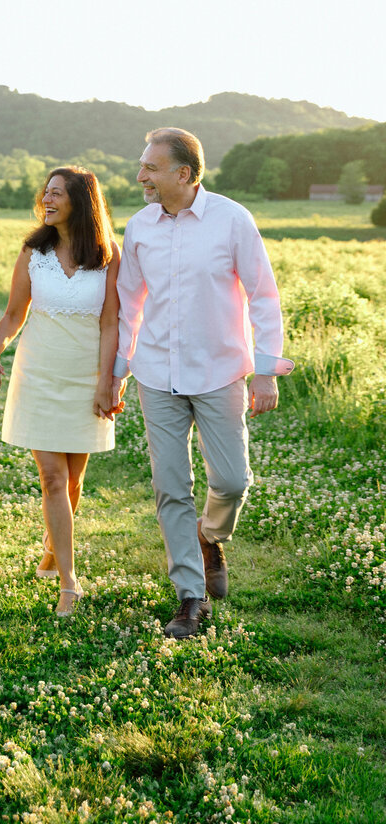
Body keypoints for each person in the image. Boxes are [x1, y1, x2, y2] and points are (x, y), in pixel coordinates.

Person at [114, 128, 294, 638]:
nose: (141, 175)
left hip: (219, 371)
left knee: (234, 481)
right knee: (171, 486)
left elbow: (263, 295)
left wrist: (266, 368)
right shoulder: (140, 227)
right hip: (156, 372)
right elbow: (129, 302)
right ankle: (190, 597)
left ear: (184, 174)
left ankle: (209, 535)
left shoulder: (232, 219)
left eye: (150, 167)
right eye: (142, 165)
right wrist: (120, 369)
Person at [0, 167, 121, 617]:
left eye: (58, 193)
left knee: (74, 479)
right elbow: (14, 314)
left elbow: (111, 322)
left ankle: (52, 546)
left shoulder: (107, 254)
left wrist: (106, 381)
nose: (48, 199)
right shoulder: (33, 250)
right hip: (38, 371)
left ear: (81, 200)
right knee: (53, 478)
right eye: (47, 192)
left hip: (86, 376)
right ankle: (69, 582)